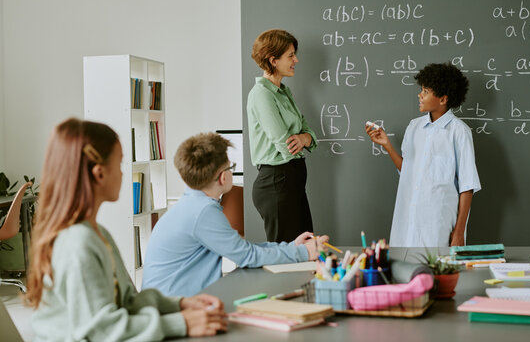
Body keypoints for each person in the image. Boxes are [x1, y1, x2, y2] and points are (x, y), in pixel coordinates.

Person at [26, 118, 227, 341]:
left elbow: (128, 300)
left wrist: (179, 304)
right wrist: (181, 323)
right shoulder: (77, 244)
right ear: (99, 173)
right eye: (120, 164)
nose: (124, 174)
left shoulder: (98, 233)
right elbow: (102, 331)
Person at [142, 132, 328, 297]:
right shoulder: (203, 211)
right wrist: (303, 252)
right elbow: (247, 255)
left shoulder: (193, 205)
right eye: (231, 167)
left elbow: (240, 247)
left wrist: (291, 246)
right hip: (173, 309)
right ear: (223, 176)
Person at [366, 62, 481, 247]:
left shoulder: (459, 132)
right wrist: (387, 145)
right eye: (421, 89)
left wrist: (459, 233)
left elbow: (467, 187)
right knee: (404, 274)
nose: (420, 95)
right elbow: (408, 172)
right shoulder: (414, 127)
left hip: (437, 227)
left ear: (443, 99)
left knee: (435, 274)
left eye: (426, 91)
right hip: (406, 225)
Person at [247, 29, 318, 242]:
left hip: (293, 182)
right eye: (290, 55)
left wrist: (305, 138)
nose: (296, 60)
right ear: (273, 60)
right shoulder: (262, 94)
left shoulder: (284, 92)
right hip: (277, 182)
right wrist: (303, 138)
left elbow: (309, 133)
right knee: (285, 257)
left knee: (306, 247)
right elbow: (286, 146)